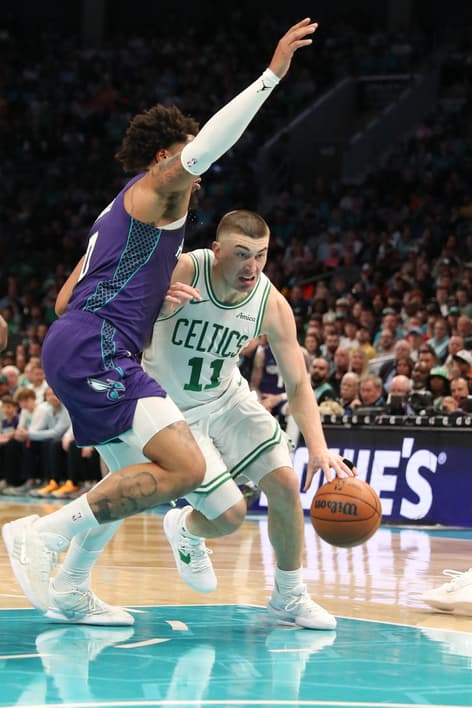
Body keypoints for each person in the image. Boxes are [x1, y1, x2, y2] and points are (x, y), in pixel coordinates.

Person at [2, 18, 320, 625]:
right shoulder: (159, 191)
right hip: (97, 349)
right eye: (189, 152)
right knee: (186, 467)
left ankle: (70, 585)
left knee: (134, 478)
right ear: (162, 156)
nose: (198, 164)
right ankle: (39, 536)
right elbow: (203, 150)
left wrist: (147, 303)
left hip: (84, 341)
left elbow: (67, 298)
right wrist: (270, 76)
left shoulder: (124, 214)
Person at [44, 209, 356, 631]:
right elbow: (103, 305)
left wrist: (318, 448)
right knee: (228, 517)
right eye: (242, 254)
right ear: (216, 250)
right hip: (169, 409)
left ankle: (289, 595)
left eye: (261, 255)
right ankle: (185, 528)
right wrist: (153, 302)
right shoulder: (184, 268)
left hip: (227, 399)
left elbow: (299, 383)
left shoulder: (271, 303)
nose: (252, 266)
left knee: (283, 483)